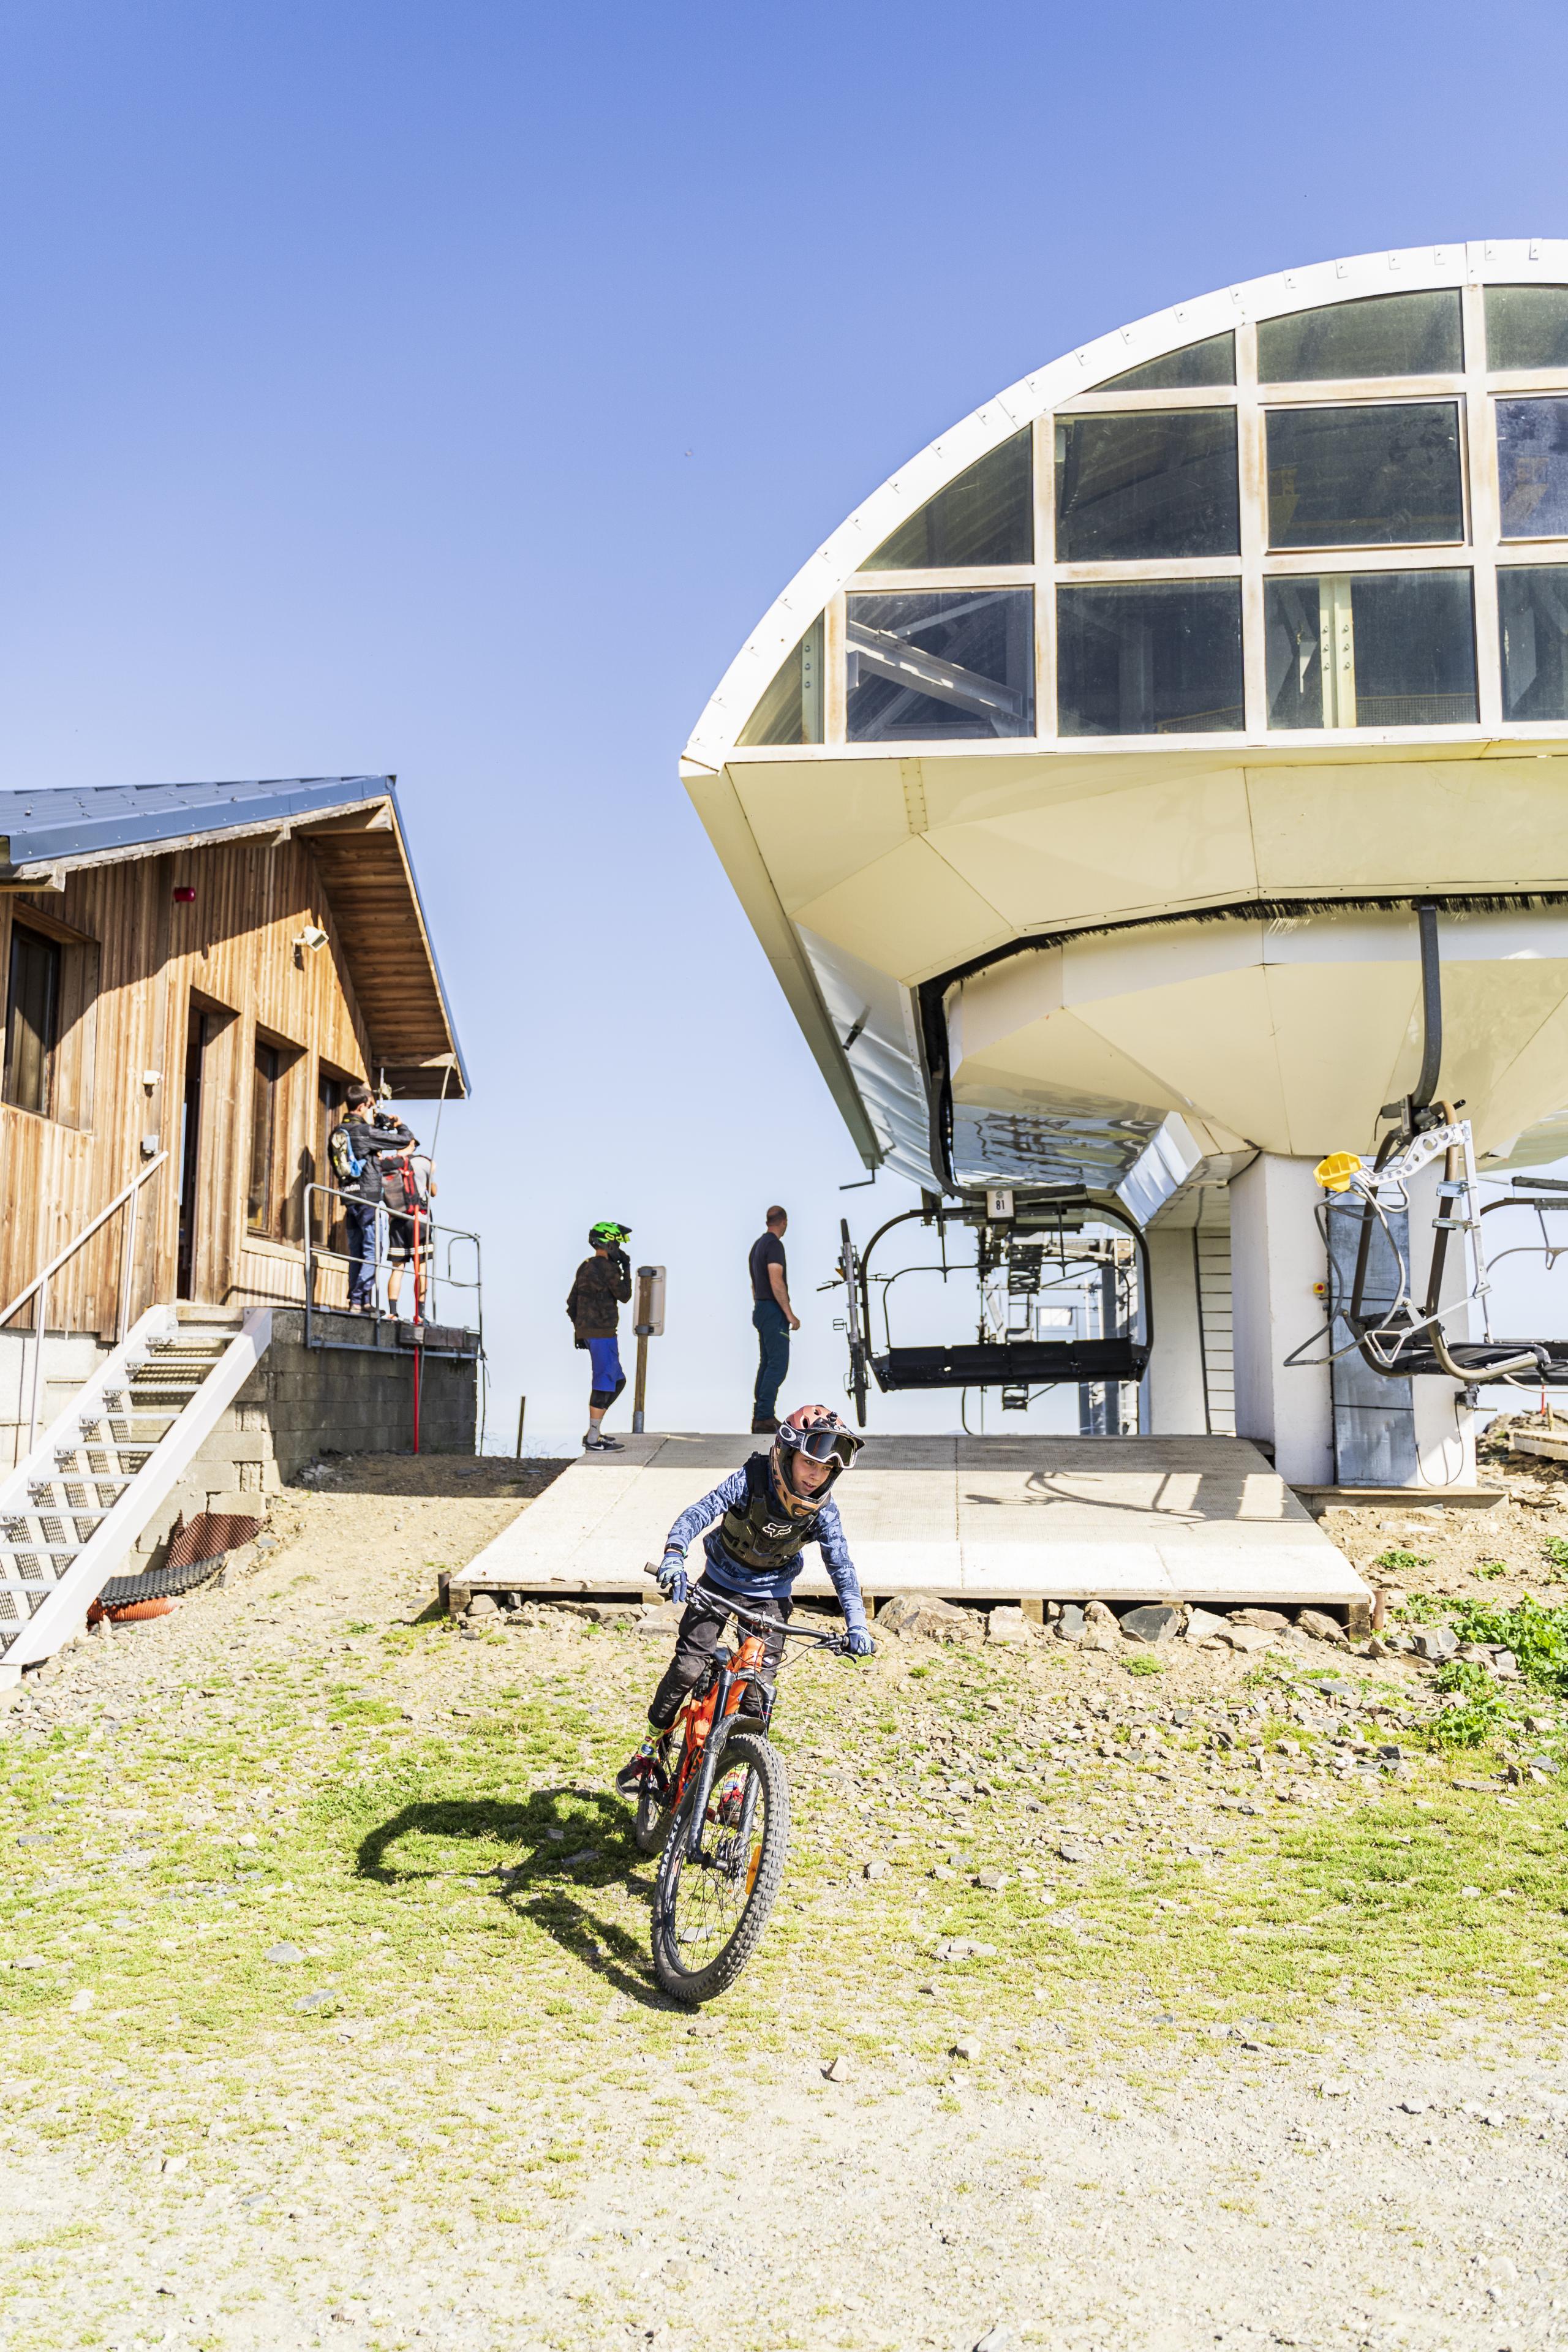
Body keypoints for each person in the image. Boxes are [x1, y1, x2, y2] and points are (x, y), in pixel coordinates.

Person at [616, 1404, 875, 1795]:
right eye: (808, 1463)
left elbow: (842, 1566)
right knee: (688, 1669)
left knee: (756, 1692)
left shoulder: (825, 1512)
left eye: (825, 1470)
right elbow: (698, 1513)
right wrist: (674, 1553)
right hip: (717, 1585)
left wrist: (857, 1623)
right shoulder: (752, 1479)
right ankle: (648, 1750)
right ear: (786, 1455)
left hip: (770, 1599)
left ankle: (737, 1778)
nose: (815, 1476)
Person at [328, 1082, 419, 1314]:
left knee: (356, 1252)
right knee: (373, 1251)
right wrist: (399, 1125)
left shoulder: (339, 1131)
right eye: (369, 1106)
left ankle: (362, 1302)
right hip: (368, 1199)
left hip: (348, 1198)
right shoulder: (364, 1132)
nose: (370, 1110)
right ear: (360, 1107)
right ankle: (358, 1299)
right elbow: (403, 1141)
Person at [567, 1220, 634, 1451]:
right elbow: (624, 1295)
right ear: (609, 1242)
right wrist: (626, 1269)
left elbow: (571, 1303)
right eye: (617, 1242)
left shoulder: (585, 1266)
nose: (619, 1247)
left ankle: (594, 1432)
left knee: (618, 1381)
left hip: (592, 1333)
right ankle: (593, 1438)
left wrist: (580, 1331)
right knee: (605, 1383)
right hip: (603, 1334)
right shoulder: (608, 1268)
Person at [748, 1205, 798, 1435]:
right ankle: (765, 1417)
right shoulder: (774, 1245)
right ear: (784, 1222)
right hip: (772, 1309)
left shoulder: (757, 1246)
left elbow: (754, 1284)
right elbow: (776, 1280)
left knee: (766, 1363)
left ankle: (761, 1416)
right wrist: (789, 1314)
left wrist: (761, 1306)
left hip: (761, 1307)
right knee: (778, 1365)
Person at [385, 1145, 436, 1321]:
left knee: (397, 1270)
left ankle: (392, 1312)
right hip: (418, 1220)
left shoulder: (389, 1164)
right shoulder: (422, 1162)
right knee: (420, 1269)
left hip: (396, 1221)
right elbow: (434, 1191)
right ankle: (420, 1314)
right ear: (412, 1144)